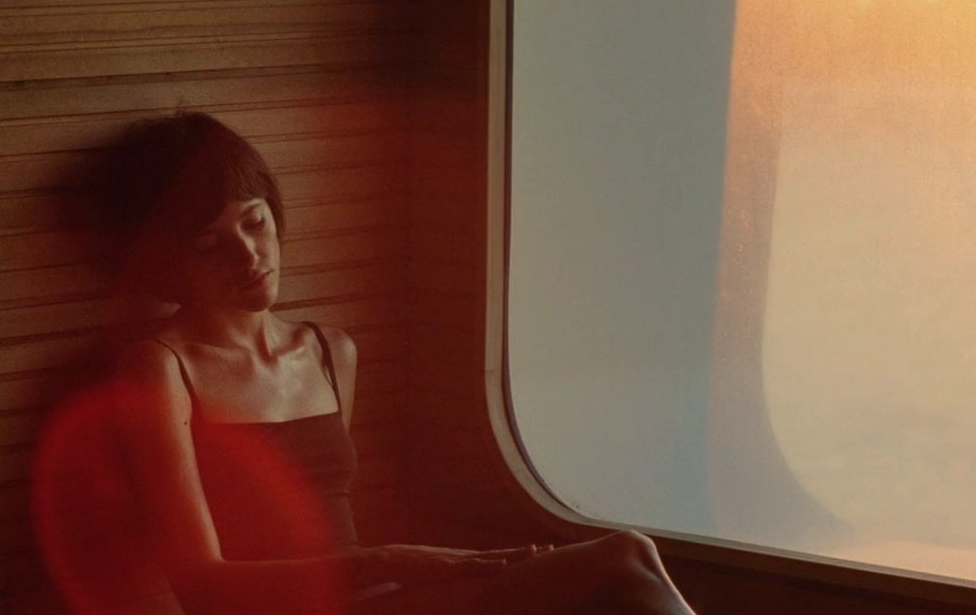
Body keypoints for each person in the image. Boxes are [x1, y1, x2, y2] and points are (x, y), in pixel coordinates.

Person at [100, 112, 696, 615]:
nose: (249, 255)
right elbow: (200, 585)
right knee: (621, 558)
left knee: (626, 560)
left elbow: (331, 529)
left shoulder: (329, 351)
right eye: (211, 245)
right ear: (169, 261)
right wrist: (391, 561)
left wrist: (421, 570)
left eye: (255, 222)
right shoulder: (161, 367)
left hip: (373, 597)